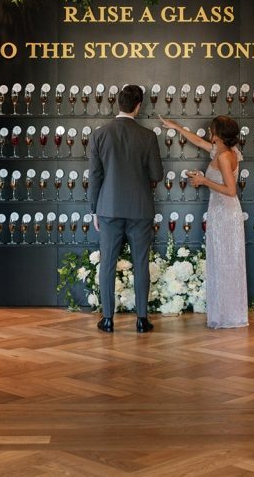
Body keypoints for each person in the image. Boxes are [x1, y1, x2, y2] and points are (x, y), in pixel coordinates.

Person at [89, 84, 164, 333]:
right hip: (140, 209)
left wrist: (94, 210)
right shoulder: (148, 136)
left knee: (107, 264)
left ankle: (107, 319)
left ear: (118, 103)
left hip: (108, 208)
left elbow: (95, 176)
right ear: (138, 106)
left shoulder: (100, 135)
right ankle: (141, 319)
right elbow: (157, 174)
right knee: (141, 263)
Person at [160, 114, 248, 329]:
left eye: (211, 130)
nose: (209, 133)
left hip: (226, 212)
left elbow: (231, 190)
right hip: (220, 211)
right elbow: (198, 142)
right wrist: (176, 127)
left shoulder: (225, 156)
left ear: (217, 135)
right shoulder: (223, 151)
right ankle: (225, 312)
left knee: (226, 262)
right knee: (222, 261)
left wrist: (204, 181)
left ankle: (229, 316)